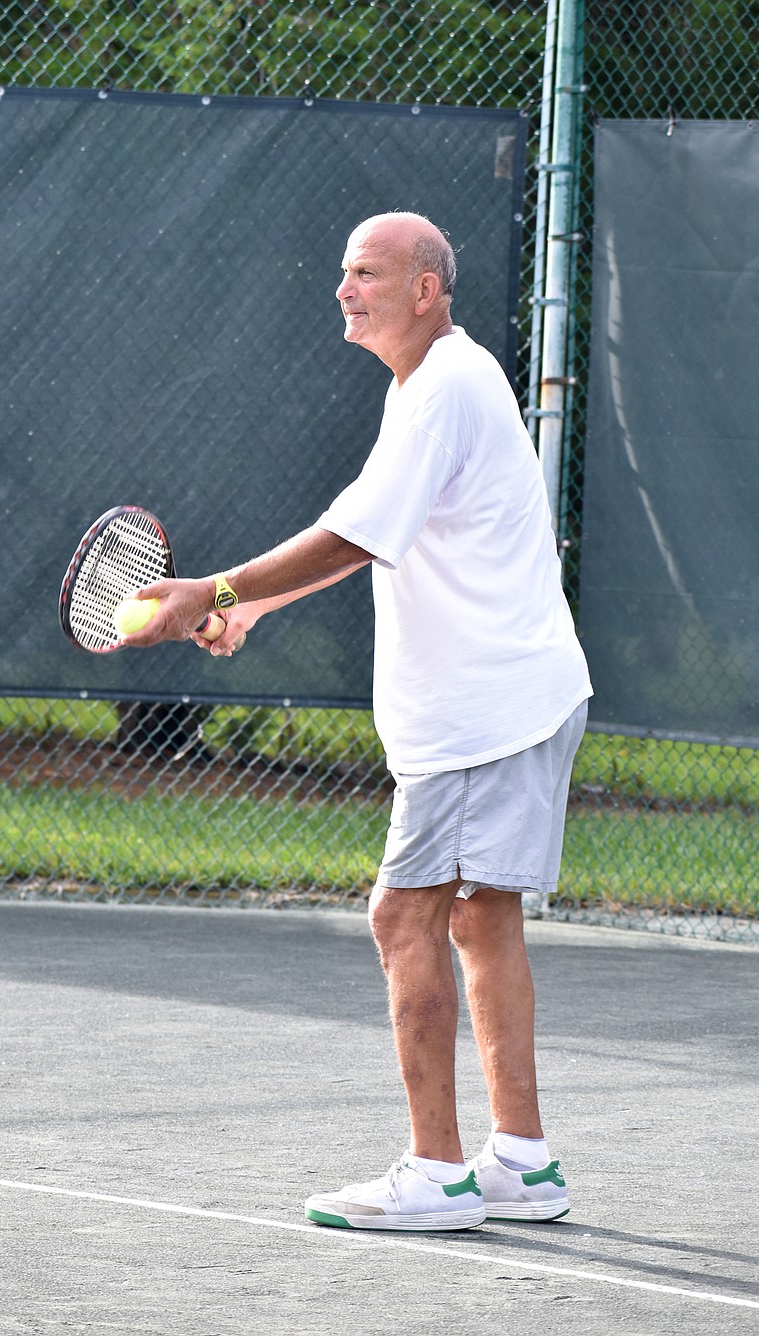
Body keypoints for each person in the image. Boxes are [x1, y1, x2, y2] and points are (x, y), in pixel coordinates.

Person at [125, 211, 592, 1232]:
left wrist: (214, 584)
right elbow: (377, 526)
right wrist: (243, 608)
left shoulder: (443, 390)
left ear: (425, 289)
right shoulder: (434, 384)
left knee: (403, 916)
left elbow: (352, 535)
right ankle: (521, 1160)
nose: (345, 289)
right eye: (343, 271)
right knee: (478, 913)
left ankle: (435, 1174)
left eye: (368, 273)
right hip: (518, 697)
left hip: (483, 716)